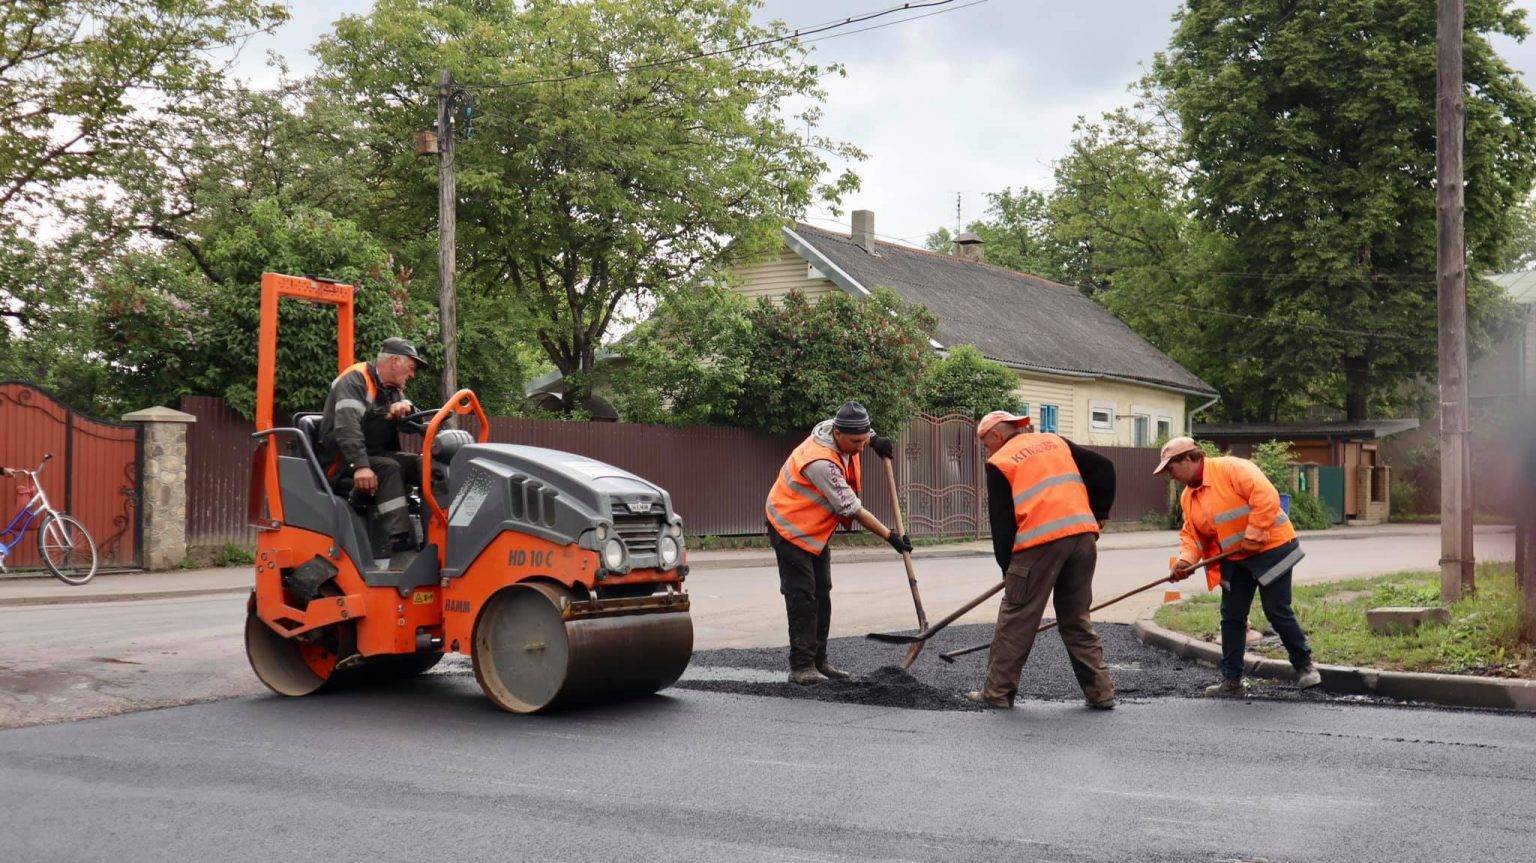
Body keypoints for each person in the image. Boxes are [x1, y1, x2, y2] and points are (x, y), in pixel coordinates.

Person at [965, 410, 1118, 710]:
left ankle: (996, 694)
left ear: (997, 435)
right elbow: (1104, 467)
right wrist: (1099, 513)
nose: (987, 449)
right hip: (1083, 537)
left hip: (1039, 542)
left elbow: (1002, 522)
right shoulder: (1054, 441)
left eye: (985, 443)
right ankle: (1101, 693)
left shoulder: (1000, 461)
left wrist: (1007, 569)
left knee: (1017, 619)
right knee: (1076, 619)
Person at [1157, 436, 1322, 696]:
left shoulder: (1232, 468)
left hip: (1271, 548)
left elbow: (1266, 496)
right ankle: (1231, 682)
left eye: (1171, 468)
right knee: (1232, 616)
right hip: (1235, 558)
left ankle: (1305, 667)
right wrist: (1185, 562)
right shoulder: (1189, 497)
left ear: (1189, 459)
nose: (1170, 475)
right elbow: (1192, 535)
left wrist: (1255, 535)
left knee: (1276, 609)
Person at [765, 400, 912, 686]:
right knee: (803, 595)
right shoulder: (820, 463)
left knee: (823, 590)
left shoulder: (848, 433)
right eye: (856, 441)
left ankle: (819, 661)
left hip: (814, 530)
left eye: (864, 438)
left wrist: (875, 440)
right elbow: (851, 508)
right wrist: (890, 536)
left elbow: (863, 434)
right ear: (838, 434)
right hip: (788, 526)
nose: (861, 445)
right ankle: (802, 666)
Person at [320, 337, 429, 571]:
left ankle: (437, 536)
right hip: (343, 461)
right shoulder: (355, 379)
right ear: (394, 362)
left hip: (376, 455)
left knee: (425, 464)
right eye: (411, 368)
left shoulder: (391, 390)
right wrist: (360, 466)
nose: (412, 375)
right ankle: (401, 546)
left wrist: (412, 413)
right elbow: (346, 428)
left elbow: (407, 422)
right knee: (390, 468)